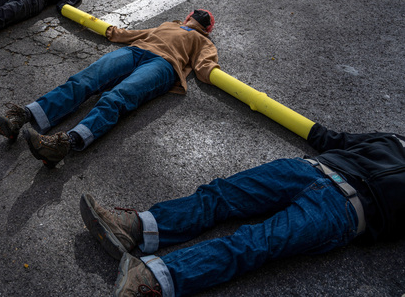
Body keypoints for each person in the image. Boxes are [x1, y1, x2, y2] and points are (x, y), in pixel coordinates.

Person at [79, 123, 405, 297]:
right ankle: (136, 227)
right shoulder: (395, 138)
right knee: (219, 194)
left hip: (344, 210)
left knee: (252, 243)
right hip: (311, 169)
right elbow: (338, 140)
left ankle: (154, 281)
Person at [0, 9, 218, 168]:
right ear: (189, 17)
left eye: (198, 20)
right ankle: (23, 117)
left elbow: (204, 66)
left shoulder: (204, 42)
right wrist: (111, 32)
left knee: (117, 97)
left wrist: (212, 73)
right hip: (136, 50)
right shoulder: (170, 25)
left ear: (205, 29)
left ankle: (65, 144)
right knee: (85, 79)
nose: (195, 20)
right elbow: (137, 34)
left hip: (164, 65)